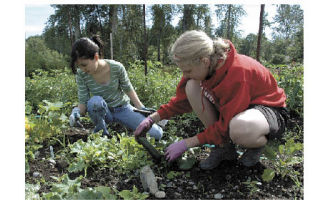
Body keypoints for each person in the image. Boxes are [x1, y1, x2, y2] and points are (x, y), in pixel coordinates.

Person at [134, 30, 288, 169]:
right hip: (238, 109)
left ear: (204, 61)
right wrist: (152, 118)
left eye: (187, 70)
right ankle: (223, 147)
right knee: (191, 86)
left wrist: (187, 143)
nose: (185, 75)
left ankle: (256, 145)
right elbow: (182, 102)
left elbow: (226, 124)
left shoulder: (237, 74)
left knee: (239, 128)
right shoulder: (201, 68)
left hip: (268, 112)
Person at [69, 35, 163, 140]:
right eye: (79, 66)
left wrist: (141, 108)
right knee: (94, 102)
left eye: (84, 65)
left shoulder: (116, 67)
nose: (82, 69)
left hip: (123, 109)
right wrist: (76, 112)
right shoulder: (82, 74)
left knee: (156, 134)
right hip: (103, 112)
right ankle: (102, 134)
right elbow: (83, 102)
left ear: (95, 57)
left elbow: (128, 88)